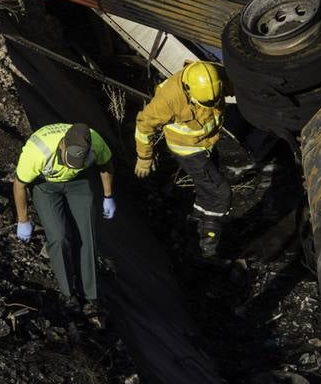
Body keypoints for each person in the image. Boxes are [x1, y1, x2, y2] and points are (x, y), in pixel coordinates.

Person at [12, 122, 115, 310]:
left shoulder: (95, 142)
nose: (72, 164)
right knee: (59, 237)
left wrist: (108, 196)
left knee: (87, 235)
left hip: (78, 183)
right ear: (62, 146)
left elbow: (105, 163)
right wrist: (23, 219)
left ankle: (90, 295)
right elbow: (19, 185)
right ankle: (68, 294)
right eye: (69, 160)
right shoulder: (37, 152)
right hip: (46, 186)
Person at [133, 60, 232, 256]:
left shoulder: (215, 76)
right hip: (187, 149)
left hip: (208, 143)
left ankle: (195, 223)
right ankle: (208, 246)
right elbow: (144, 126)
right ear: (188, 90)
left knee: (207, 191)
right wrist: (144, 157)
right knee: (221, 194)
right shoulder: (169, 98)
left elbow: (240, 87)